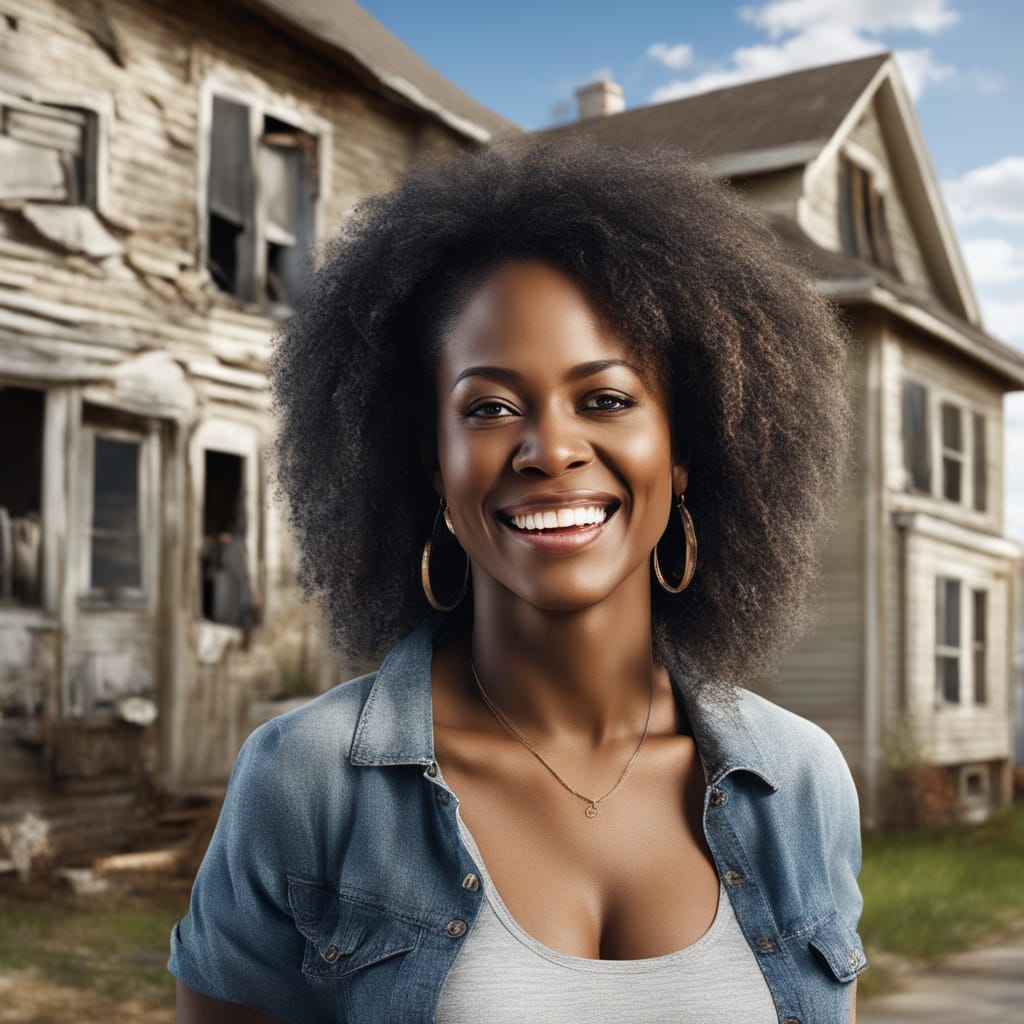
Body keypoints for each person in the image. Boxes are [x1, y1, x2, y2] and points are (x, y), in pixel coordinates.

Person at [169, 138, 864, 1023]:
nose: (550, 450)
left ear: (686, 450)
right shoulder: (304, 782)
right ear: (433, 464)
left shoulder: (801, 782)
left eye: (606, 399)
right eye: (491, 408)